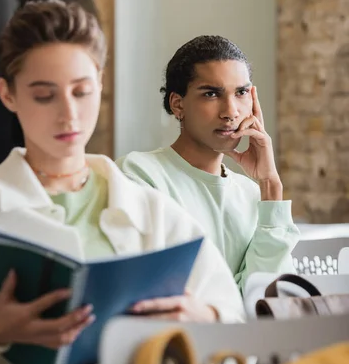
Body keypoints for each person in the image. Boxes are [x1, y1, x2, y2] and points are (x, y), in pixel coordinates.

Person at [0, 1, 245, 364]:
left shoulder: (155, 213)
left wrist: (201, 320)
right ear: (7, 94)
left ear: (100, 86)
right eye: (44, 95)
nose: (69, 113)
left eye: (83, 92)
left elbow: (237, 338)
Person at [117, 35, 300, 290]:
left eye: (241, 93)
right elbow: (168, 290)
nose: (230, 111)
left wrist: (270, 186)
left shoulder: (252, 195)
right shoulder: (139, 175)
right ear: (177, 104)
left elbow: (269, 298)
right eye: (212, 94)